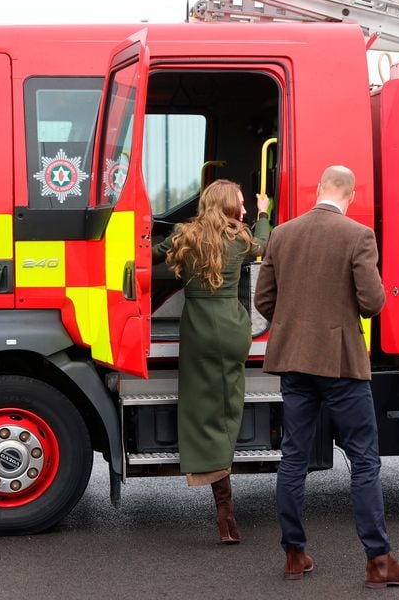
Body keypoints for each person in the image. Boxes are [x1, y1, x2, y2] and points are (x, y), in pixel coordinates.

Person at [254, 165, 399, 587]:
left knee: (293, 458)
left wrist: (297, 325)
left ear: (318, 190)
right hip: (341, 365)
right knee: (364, 460)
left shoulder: (282, 233)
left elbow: (263, 299)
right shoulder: (357, 235)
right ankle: (379, 562)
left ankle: (294, 555)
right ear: (350, 195)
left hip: (293, 362)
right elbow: (372, 302)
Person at [152, 179, 270, 544]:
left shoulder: (185, 236)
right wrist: (265, 214)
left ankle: (223, 508)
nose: (246, 210)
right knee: (228, 407)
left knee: (199, 410)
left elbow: (150, 254)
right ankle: (225, 509)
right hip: (233, 330)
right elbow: (264, 244)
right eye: (242, 204)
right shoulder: (240, 237)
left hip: (198, 330)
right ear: (229, 207)